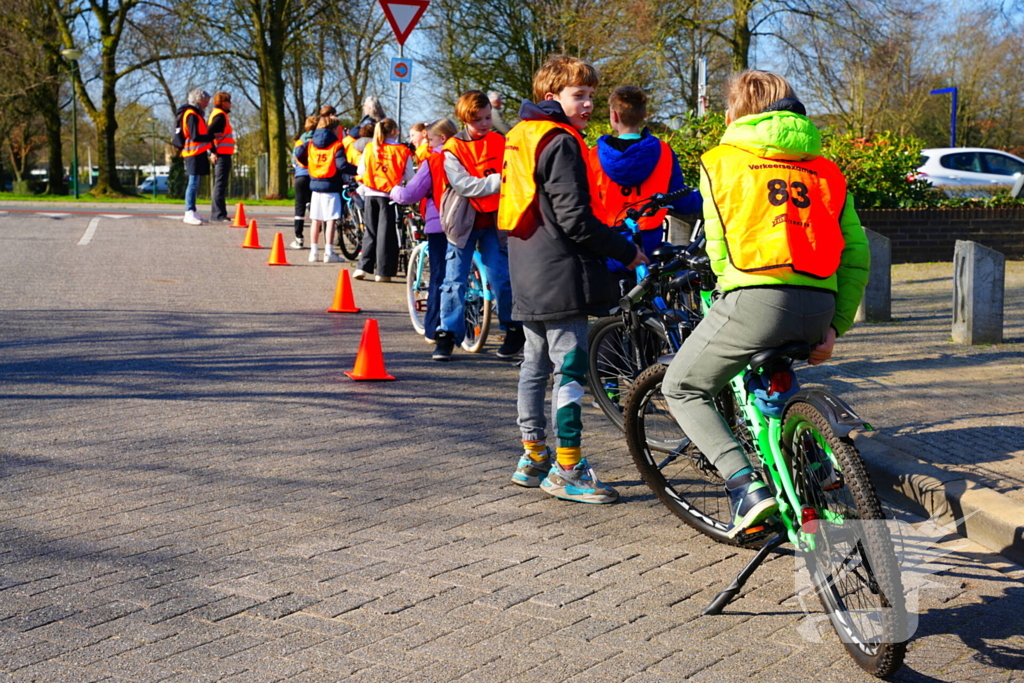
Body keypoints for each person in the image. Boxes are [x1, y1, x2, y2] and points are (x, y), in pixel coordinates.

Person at [661, 70, 870, 535]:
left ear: (734, 112)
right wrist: (835, 325)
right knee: (772, 383)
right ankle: (813, 468)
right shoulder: (826, 169)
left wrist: (723, 289)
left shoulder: (722, 161)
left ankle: (745, 489)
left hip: (758, 300)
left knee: (681, 386)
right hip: (819, 306)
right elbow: (856, 254)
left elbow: (718, 247)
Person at [499, 55, 647, 504]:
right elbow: (576, 220)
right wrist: (626, 249)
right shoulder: (562, 142)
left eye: (591, 96)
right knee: (570, 368)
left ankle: (533, 456)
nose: (587, 104)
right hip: (560, 271)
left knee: (534, 365)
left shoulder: (521, 134)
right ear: (552, 98)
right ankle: (568, 467)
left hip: (526, 266)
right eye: (578, 95)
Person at [432, 90, 520, 362]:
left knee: (501, 278)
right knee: (454, 280)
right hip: (463, 222)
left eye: (487, 117)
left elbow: (514, 171)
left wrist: (501, 180)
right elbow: (464, 185)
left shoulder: (500, 141)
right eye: (477, 120)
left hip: (495, 221)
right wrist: (498, 181)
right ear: (464, 119)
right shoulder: (453, 149)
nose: (484, 124)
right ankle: (447, 334)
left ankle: (513, 330)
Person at [588, 86, 702, 258]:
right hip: (649, 247)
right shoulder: (663, 152)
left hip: (608, 247)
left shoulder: (593, 156)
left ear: (614, 115)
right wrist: (708, 198)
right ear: (644, 115)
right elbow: (681, 201)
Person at [390, 118, 459, 342]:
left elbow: (412, 192)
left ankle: (433, 328)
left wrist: (395, 192)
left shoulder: (434, 160)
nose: (426, 144)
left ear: (441, 138)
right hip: (470, 222)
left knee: (440, 276)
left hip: (440, 223)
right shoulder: (467, 155)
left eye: (429, 139)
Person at [355, 118, 414, 282]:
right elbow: (410, 175)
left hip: (370, 193)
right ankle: (383, 271)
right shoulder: (402, 150)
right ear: (395, 131)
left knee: (371, 231)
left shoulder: (370, 148)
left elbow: (361, 170)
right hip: (390, 195)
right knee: (386, 235)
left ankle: (362, 267)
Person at [294, 115, 353, 263]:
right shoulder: (336, 145)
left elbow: (298, 153)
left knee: (316, 220)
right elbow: (342, 165)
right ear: (334, 129)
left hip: (315, 184)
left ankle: (313, 252)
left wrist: (308, 164)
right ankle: (329, 252)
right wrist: (358, 170)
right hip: (331, 185)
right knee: (331, 220)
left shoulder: (312, 142)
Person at [175, 89, 214, 225]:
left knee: (195, 183)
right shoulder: (191, 114)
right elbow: (195, 135)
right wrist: (211, 137)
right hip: (192, 152)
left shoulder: (194, 114)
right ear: (198, 101)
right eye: (205, 102)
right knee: (192, 183)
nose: (206, 105)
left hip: (196, 152)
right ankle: (189, 212)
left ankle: (193, 210)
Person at [207, 91, 235, 222]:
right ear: (223, 103)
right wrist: (213, 151)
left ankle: (220, 213)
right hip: (222, 153)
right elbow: (208, 133)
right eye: (229, 101)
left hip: (222, 152)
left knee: (220, 183)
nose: (231, 104)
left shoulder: (218, 114)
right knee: (220, 184)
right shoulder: (220, 116)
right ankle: (218, 214)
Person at [291, 115, 318, 248]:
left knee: (299, 207)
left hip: (301, 176)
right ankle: (317, 229)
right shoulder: (320, 141)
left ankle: (298, 238)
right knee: (316, 204)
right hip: (315, 176)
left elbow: (293, 161)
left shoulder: (299, 142)